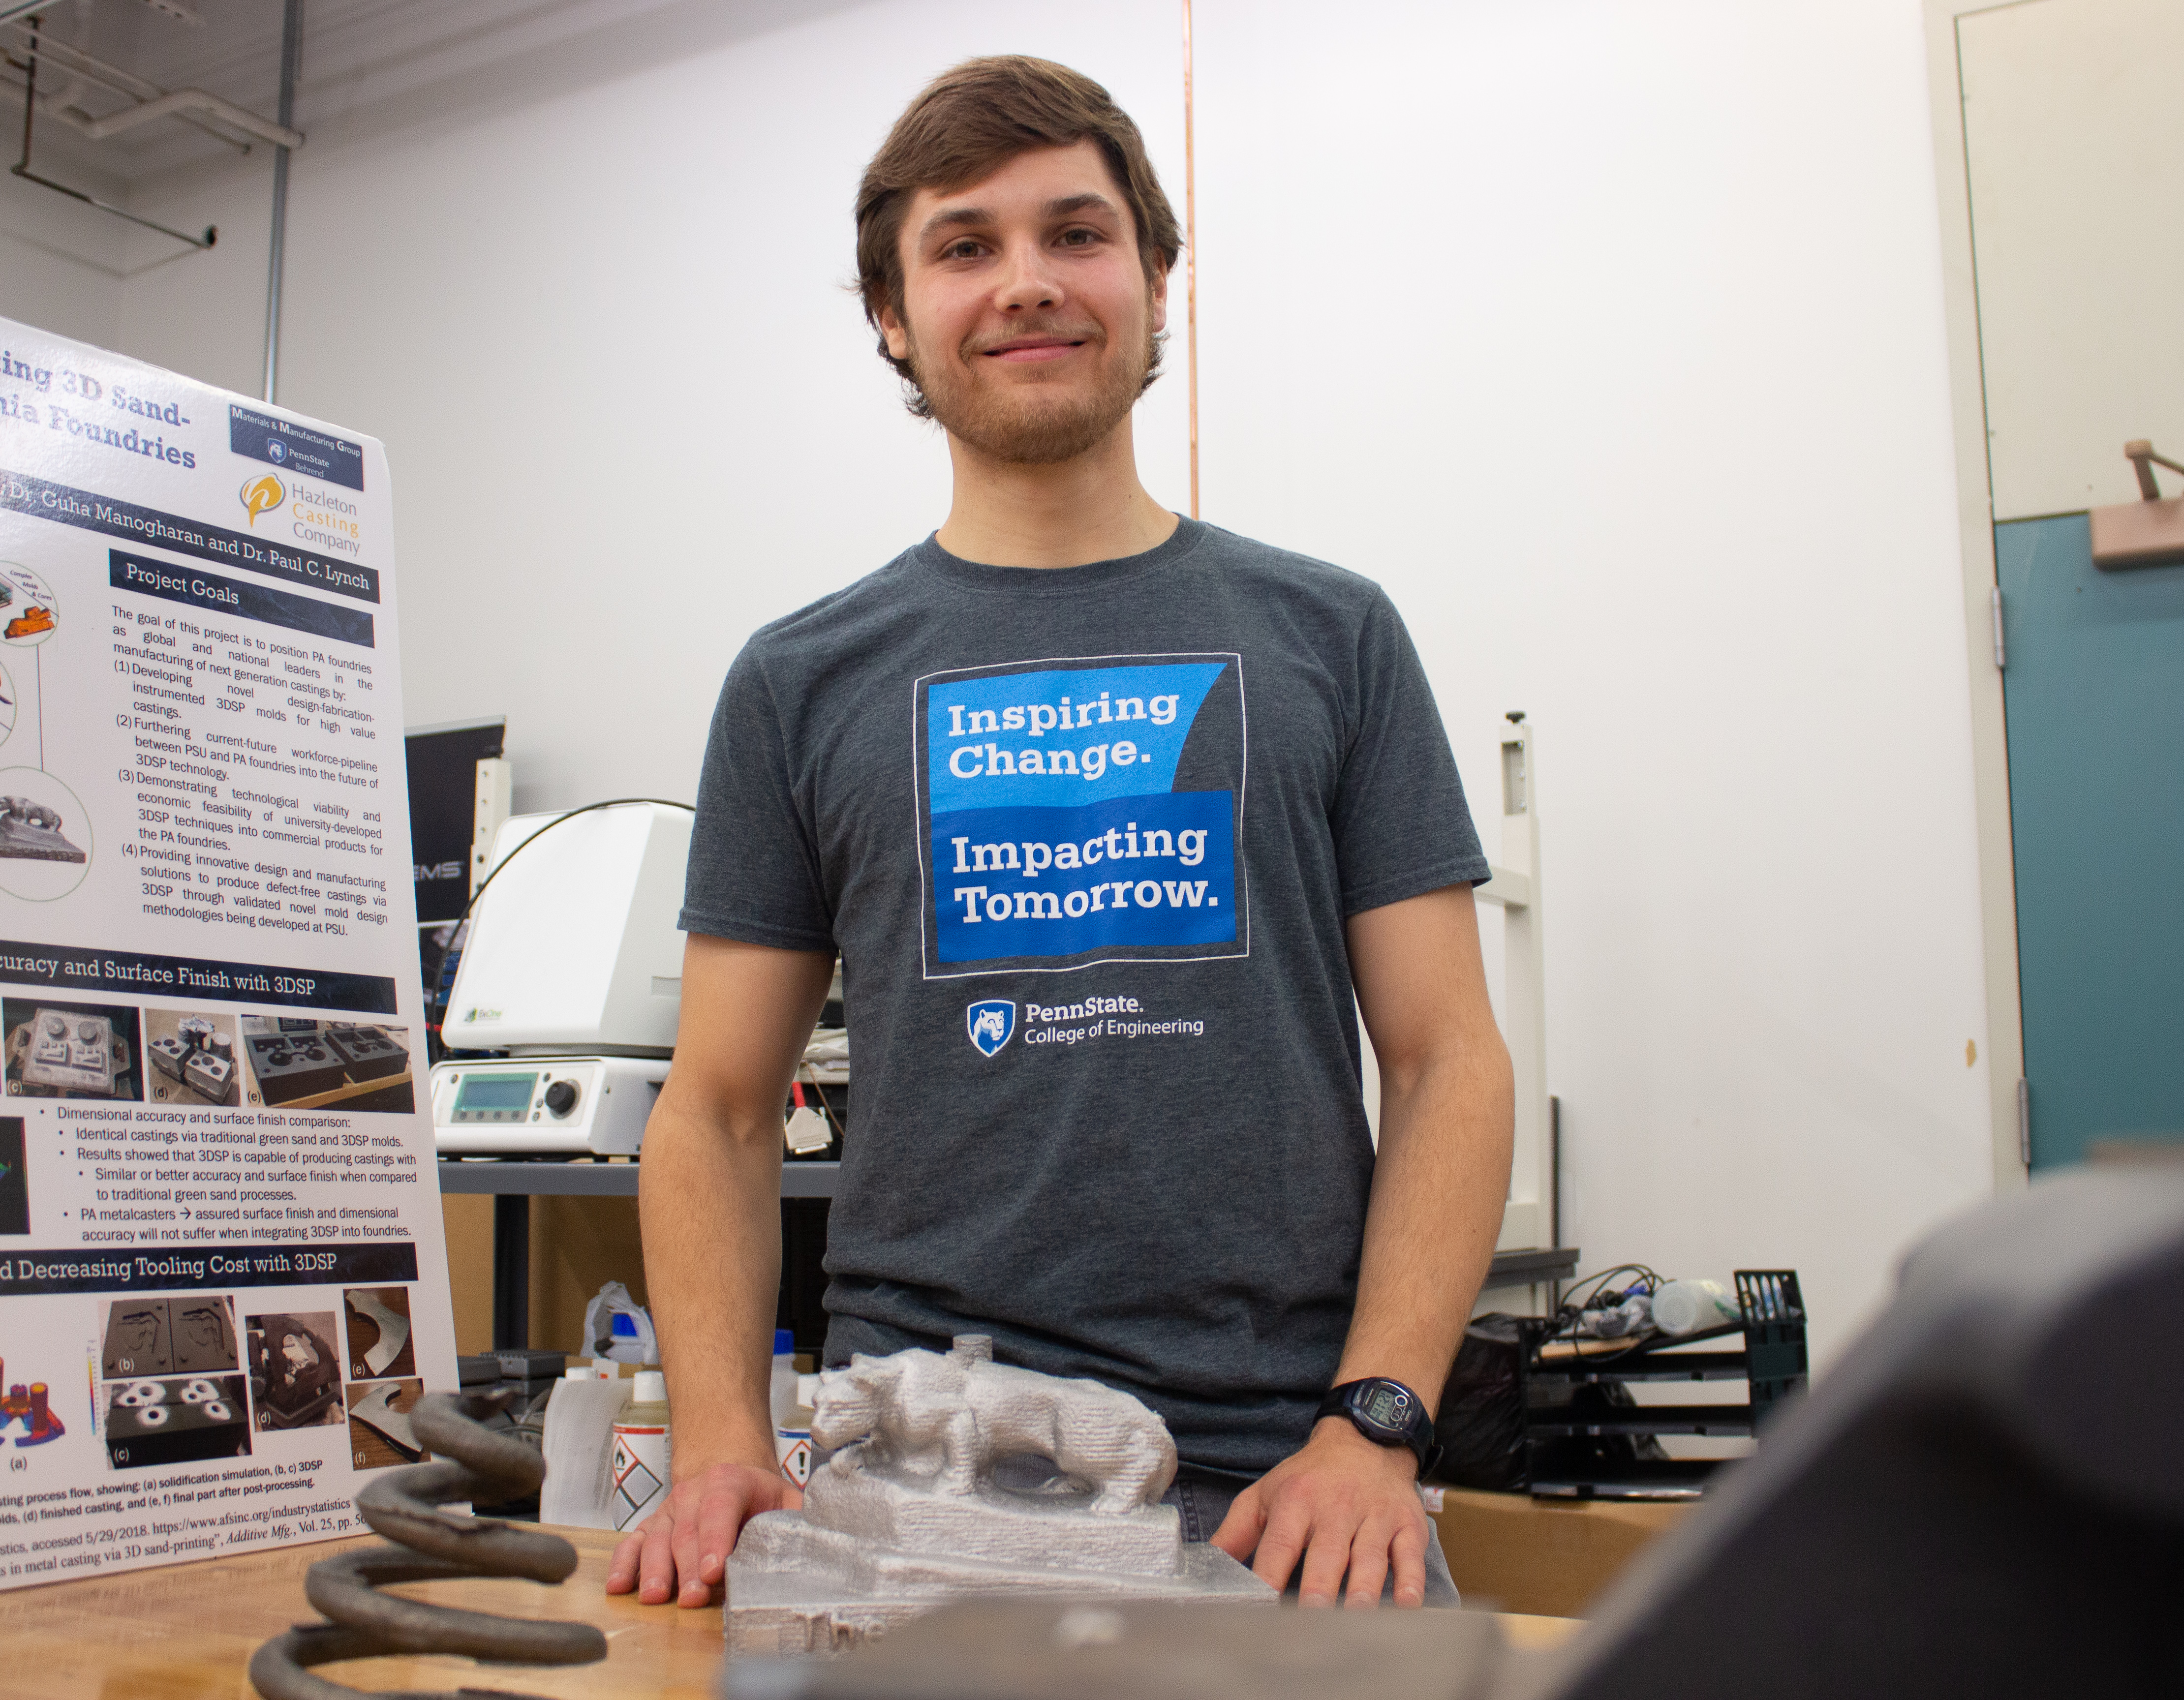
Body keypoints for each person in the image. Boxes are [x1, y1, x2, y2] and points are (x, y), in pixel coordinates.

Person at [605, 55, 1513, 1612]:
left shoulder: (1333, 635)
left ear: (1157, 280)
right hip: (919, 1474)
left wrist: (1375, 1429)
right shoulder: (799, 680)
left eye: (1076, 235)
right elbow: (717, 1111)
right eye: (964, 246)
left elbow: (1449, 1060)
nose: (1026, 283)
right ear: (894, 316)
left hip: (1287, 1489)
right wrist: (717, 1437)